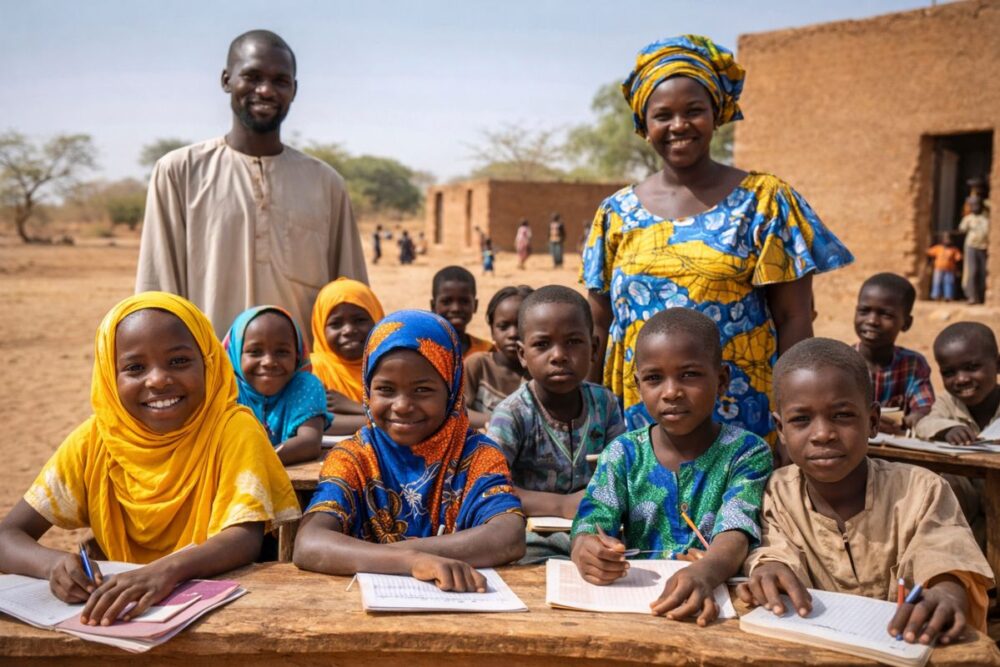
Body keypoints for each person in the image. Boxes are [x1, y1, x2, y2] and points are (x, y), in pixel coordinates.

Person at [582, 35, 853, 445]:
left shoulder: (765, 201)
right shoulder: (615, 213)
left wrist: (795, 417)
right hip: (638, 420)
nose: (679, 125)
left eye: (694, 110)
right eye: (663, 115)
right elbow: (598, 323)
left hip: (740, 416)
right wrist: (588, 419)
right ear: (644, 125)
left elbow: (794, 318)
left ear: (716, 113)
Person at [0, 292, 299, 625]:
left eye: (179, 361)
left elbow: (243, 537)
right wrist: (52, 565)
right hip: (124, 615)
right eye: (135, 368)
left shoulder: (232, 429)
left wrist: (164, 572)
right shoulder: (95, 440)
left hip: (222, 611)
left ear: (209, 362)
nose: (158, 380)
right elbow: (7, 535)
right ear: (109, 376)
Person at [738, 338, 993, 645]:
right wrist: (770, 569)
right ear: (780, 429)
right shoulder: (776, 494)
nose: (823, 434)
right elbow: (773, 552)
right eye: (801, 419)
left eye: (842, 415)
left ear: (873, 421)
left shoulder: (921, 490)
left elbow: (945, 557)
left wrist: (947, 593)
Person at [135, 30, 367, 343]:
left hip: (304, 371)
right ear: (226, 80)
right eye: (252, 76)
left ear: (294, 90)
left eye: (280, 81)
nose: (266, 90)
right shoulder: (180, 172)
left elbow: (351, 298)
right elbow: (158, 294)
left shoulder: (326, 184)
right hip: (213, 368)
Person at [292, 311, 526, 589]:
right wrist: (411, 561)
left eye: (422, 390)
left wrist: (386, 555)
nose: (402, 405)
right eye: (386, 389)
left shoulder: (478, 454)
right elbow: (309, 543)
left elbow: (508, 535)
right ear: (367, 390)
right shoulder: (354, 457)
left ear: (451, 390)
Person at [571, 308, 772, 624]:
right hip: (638, 610)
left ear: (721, 380)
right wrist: (586, 548)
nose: (671, 392)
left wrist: (707, 570)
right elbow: (593, 519)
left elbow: (737, 528)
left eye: (689, 375)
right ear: (638, 385)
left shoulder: (746, 453)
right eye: (654, 378)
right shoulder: (623, 453)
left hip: (723, 610)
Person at [488, 286, 625, 562]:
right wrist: (562, 505)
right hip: (532, 543)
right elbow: (490, 488)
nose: (559, 355)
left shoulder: (605, 404)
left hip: (597, 533)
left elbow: (622, 475)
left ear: (594, 348)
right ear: (522, 354)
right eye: (542, 344)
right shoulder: (512, 414)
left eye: (573, 342)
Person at [223, 306, 330, 465]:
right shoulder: (225, 389)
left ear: (297, 355)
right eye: (255, 351)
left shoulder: (304, 386)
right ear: (235, 353)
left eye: (282, 352)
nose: (269, 362)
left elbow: (309, 443)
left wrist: (256, 460)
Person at [853, 273, 934, 433]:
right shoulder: (840, 363)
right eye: (864, 311)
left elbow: (924, 407)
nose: (872, 321)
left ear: (906, 323)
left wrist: (914, 418)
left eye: (886, 315)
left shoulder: (913, 365)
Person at [309, 278, 385, 436]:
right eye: (336, 324)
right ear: (320, 327)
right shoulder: (314, 369)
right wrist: (381, 419)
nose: (349, 330)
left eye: (360, 320)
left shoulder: (389, 365)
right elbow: (318, 424)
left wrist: (355, 407)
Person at [464, 285, 533, 430]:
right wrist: (501, 422)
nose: (513, 334)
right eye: (503, 326)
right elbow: (457, 411)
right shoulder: (479, 365)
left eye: (520, 325)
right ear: (492, 330)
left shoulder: (540, 374)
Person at [430, 266, 493, 359]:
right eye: (447, 302)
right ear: (433, 306)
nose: (456, 308)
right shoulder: (424, 351)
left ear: (475, 305)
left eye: (464, 301)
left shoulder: (487, 351)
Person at [959, 195, 989, 304]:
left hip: (983, 247)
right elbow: (962, 229)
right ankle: (971, 296)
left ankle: (980, 296)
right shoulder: (969, 218)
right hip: (971, 246)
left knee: (983, 272)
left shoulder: (986, 219)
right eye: (973, 205)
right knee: (972, 271)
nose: (975, 207)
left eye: (977, 204)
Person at [926, 232, 962, 302]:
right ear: (942, 240)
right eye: (945, 239)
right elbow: (929, 253)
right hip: (938, 269)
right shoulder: (938, 248)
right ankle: (936, 296)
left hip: (950, 269)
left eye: (948, 239)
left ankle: (948, 296)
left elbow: (958, 259)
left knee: (949, 282)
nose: (947, 241)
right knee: (937, 282)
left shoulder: (954, 249)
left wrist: (957, 269)